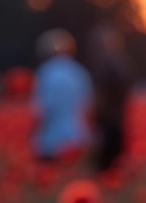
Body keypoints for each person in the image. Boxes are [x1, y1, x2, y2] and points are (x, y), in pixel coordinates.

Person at [31, 29, 93, 162]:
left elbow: (41, 110)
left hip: (51, 140)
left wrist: (33, 135)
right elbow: (88, 108)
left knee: (49, 176)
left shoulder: (46, 72)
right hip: (77, 137)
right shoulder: (80, 72)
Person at [88, 25, 133, 172]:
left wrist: (96, 116)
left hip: (108, 121)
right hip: (118, 119)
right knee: (115, 164)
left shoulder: (106, 66)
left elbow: (101, 96)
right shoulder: (123, 64)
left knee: (106, 165)